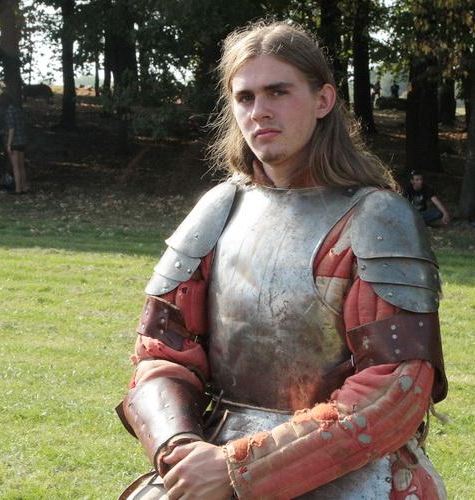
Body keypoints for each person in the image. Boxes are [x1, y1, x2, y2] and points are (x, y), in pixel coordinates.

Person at [117, 21, 448, 500]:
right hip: (208, 456)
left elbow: (395, 389)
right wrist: (179, 448)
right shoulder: (219, 210)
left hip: (351, 471)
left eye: (278, 91)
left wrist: (242, 469)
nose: (260, 111)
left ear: (323, 100)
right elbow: (160, 353)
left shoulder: (376, 220)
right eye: (245, 97)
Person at [2, 94, 28, 194]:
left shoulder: (9, 111)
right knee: (21, 166)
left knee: (15, 167)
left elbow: (11, 128)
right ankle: (24, 187)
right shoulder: (18, 109)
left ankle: (18, 189)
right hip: (22, 140)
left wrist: (9, 144)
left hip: (14, 142)